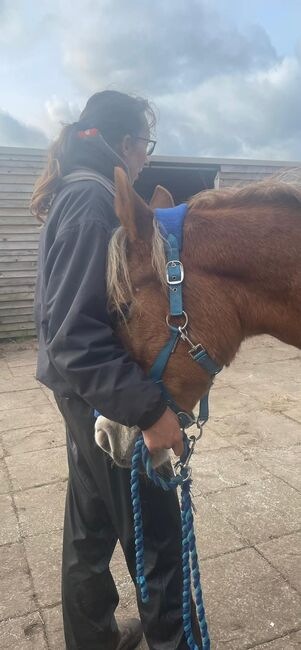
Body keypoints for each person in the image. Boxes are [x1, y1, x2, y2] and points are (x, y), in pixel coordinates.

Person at [31, 90, 202, 650]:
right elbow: (76, 334)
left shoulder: (84, 190)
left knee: (90, 532)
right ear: (125, 143)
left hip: (82, 395)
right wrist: (149, 410)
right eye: (145, 145)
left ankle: (93, 641)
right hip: (103, 395)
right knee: (158, 542)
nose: (147, 159)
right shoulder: (93, 199)